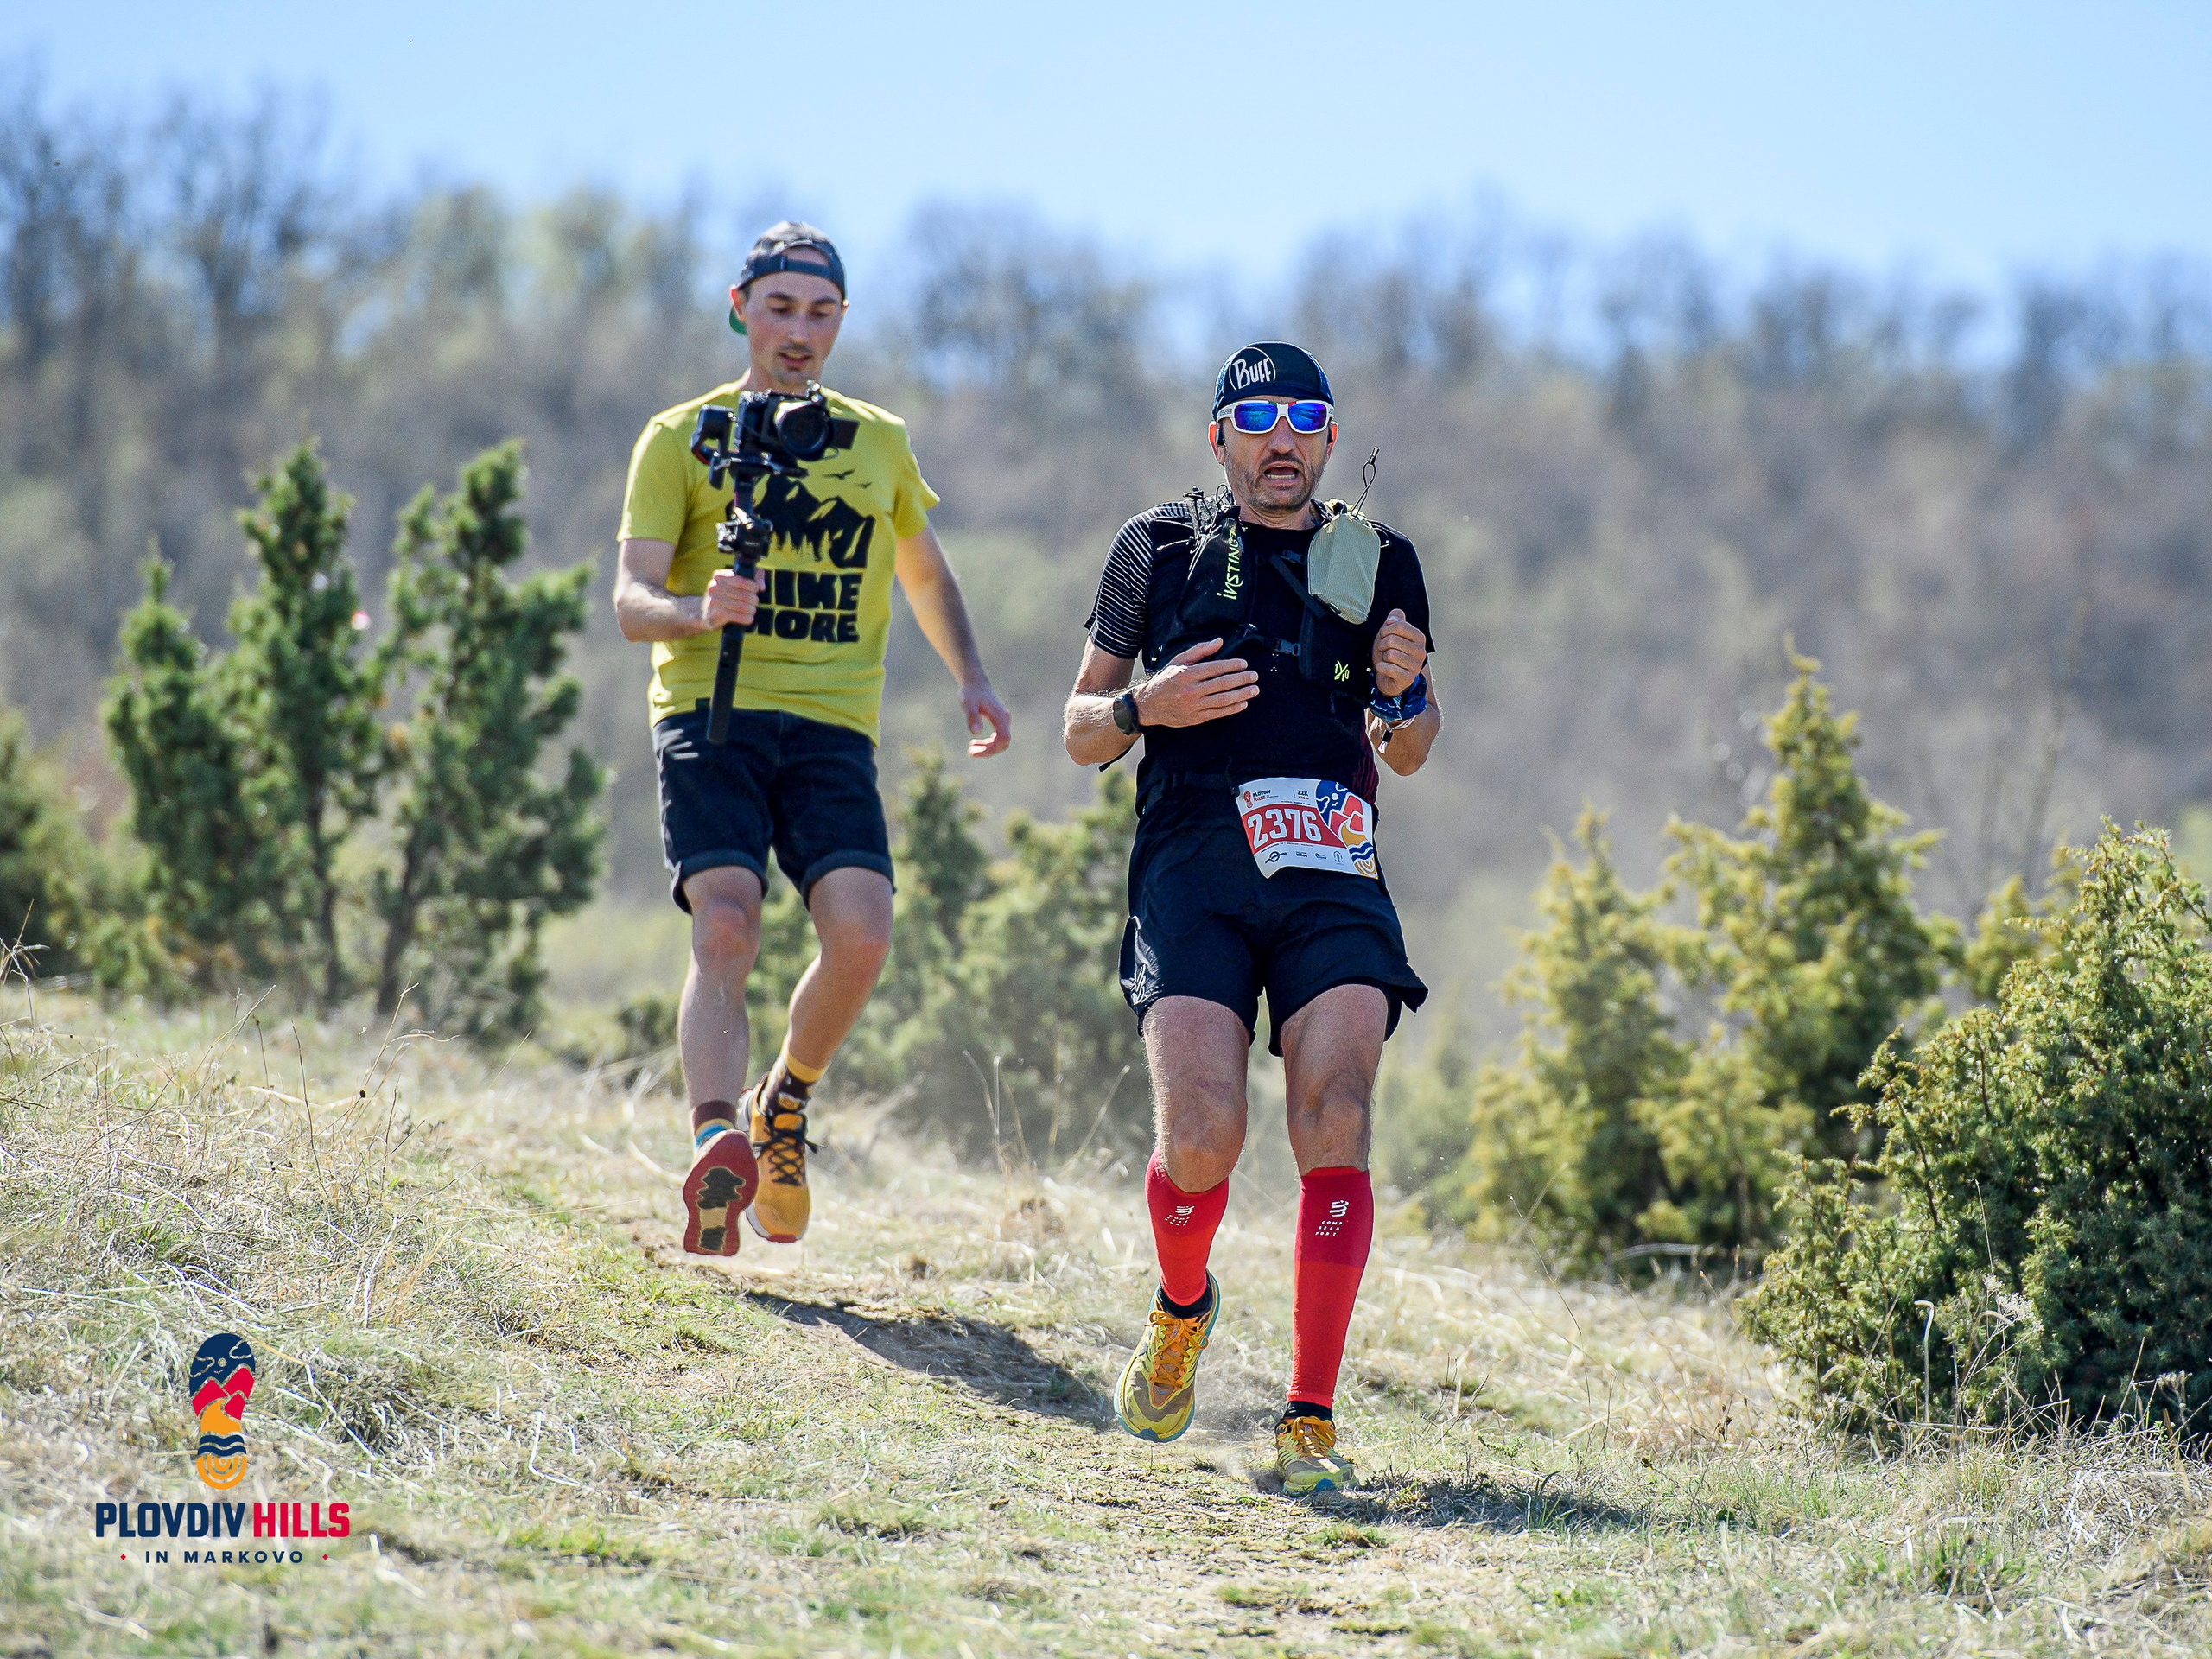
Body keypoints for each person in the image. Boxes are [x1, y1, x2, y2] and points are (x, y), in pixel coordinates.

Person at [1062, 342, 1440, 1495]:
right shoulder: (1158, 545)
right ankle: (1182, 1308)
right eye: (1259, 419)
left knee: (1336, 1116)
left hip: (1331, 866)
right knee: (1201, 1138)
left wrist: (1404, 692)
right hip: (1194, 863)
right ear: (1218, 438)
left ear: (1330, 440)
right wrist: (1147, 705)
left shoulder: (1380, 558)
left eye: (1306, 420)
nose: (1283, 440)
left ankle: (1308, 1419)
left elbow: (1411, 751)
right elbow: (1079, 729)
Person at [615, 221, 1011, 1256]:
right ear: (740, 309)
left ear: (841, 322)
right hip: (710, 712)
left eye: (820, 312)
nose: (799, 331)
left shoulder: (877, 441)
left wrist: (972, 678)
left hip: (832, 726)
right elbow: (629, 599)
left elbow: (922, 572)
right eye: (780, 308)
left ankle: (779, 1103)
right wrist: (699, 610)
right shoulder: (679, 438)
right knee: (726, 925)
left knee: (863, 933)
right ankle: (715, 1142)